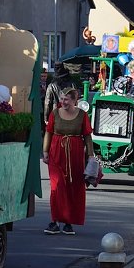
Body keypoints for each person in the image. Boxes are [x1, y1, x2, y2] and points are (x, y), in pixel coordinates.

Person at [41, 87, 94, 236]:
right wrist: (45, 152)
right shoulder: (55, 113)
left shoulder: (82, 115)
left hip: (75, 153)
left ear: (74, 100)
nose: (63, 102)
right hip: (56, 152)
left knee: (73, 186)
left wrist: (90, 155)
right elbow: (49, 132)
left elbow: (88, 136)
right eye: (62, 99)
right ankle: (55, 220)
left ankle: (68, 222)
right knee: (57, 186)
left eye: (66, 99)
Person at [43, 63, 77, 127]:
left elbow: (47, 103)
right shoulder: (72, 84)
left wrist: (46, 118)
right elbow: (76, 100)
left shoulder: (51, 86)